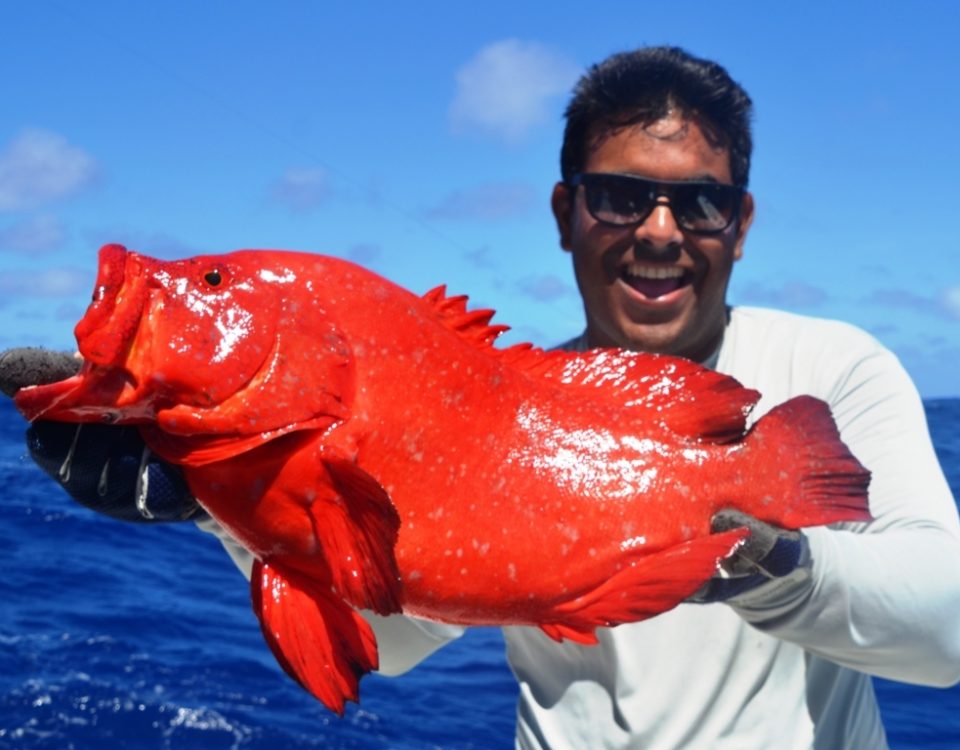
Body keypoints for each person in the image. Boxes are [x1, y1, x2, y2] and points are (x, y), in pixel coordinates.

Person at [13, 46, 960, 748]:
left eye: (700, 202)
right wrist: (219, 507)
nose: (661, 232)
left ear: (741, 223)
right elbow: (392, 636)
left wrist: (778, 564)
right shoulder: (487, 396)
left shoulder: (831, 367)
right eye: (620, 196)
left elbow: (946, 634)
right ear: (565, 212)